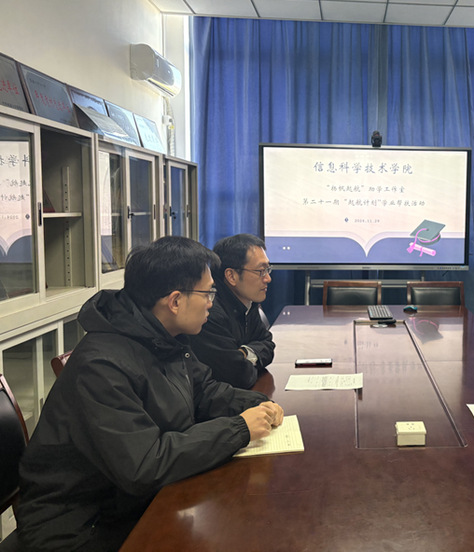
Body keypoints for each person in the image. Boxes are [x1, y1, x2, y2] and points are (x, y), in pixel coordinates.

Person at [15, 236, 284, 551]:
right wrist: (239, 428)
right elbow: (145, 464)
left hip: (130, 502)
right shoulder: (102, 365)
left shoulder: (163, 336)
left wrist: (261, 404)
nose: (213, 302)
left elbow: (205, 391)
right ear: (175, 301)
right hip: (81, 527)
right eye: (208, 293)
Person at [188, 234, 276, 388]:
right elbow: (238, 376)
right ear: (231, 276)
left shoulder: (248, 302)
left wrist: (245, 354)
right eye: (261, 271)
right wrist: (251, 358)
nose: (268, 278)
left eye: (268, 269)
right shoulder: (209, 313)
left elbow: (268, 344)